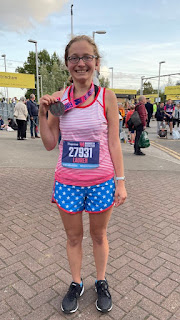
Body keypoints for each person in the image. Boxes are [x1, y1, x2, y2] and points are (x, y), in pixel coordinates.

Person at [39, 35, 127, 314]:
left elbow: (114, 142)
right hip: (68, 183)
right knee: (74, 237)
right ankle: (76, 283)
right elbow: (50, 143)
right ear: (67, 64)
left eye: (86, 57)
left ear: (97, 63)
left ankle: (101, 282)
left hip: (101, 182)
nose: (81, 63)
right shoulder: (59, 101)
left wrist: (120, 183)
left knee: (99, 236)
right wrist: (43, 115)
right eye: (74, 58)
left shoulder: (107, 97)